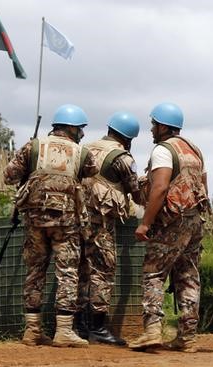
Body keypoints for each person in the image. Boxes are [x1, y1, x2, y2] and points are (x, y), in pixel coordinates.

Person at [4, 103, 98, 348]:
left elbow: (9, 176)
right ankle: (64, 331)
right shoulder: (82, 152)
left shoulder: (33, 146)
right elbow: (91, 172)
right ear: (71, 128)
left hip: (34, 220)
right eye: (81, 129)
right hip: (66, 222)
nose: (83, 134)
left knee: (35, 271)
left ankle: (33, 330)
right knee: (67, 271)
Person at [128, 102, 208, 353]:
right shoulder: (193, 149)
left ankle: (152, 330)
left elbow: (160, 187)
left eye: (153, 124)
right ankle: (188, 337)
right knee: (188, 276)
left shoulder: (163, 150)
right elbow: (203, 183)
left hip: (172, 221)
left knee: (153, 273)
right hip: (195, 220)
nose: (151, 129)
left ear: (163, 126)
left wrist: (145, 223)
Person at [75, 111, 142, 346]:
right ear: (129, 139)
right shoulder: (122, 158)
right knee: (103, 271)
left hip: (76, 219)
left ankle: (78, 327)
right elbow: (137, 193)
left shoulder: (87, 147)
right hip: (100, 223)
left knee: (80, 269)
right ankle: (99, 328)